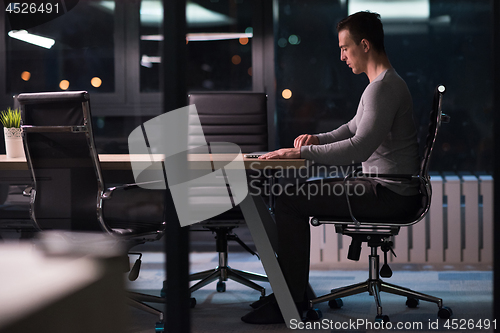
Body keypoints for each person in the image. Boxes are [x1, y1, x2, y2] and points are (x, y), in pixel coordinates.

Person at [241, 11, 422, 325]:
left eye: (345, 48)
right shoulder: (381, 85)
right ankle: (291, 292)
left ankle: (292, 300)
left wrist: (304, 155)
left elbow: (359, 147)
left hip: (387, 193)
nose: (341, 56)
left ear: (364, 45)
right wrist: (313, 141)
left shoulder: (383, 88)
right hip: (386, 187)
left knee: (288, 198)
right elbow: (352, 128)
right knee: (290, 194)